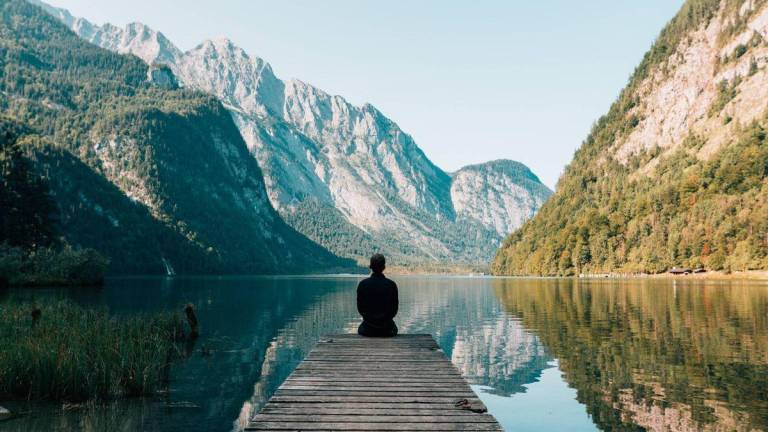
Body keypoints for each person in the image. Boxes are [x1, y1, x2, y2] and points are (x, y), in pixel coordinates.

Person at [357, 253, 399, 337]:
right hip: (387, 330)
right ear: (384, 267)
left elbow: (360, 309)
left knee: (361, 329)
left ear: (370, 267)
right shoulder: (391, 285)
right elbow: (394, 310)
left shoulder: (362, 284)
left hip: (367, 330)